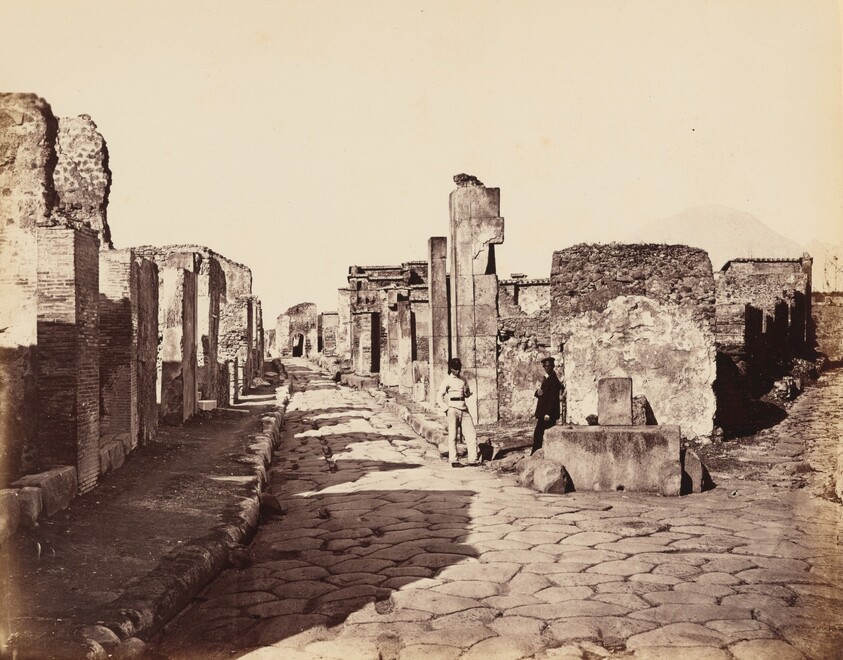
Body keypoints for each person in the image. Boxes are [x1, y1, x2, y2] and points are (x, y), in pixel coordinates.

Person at [437, 357, 479, 468]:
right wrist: (446, 409)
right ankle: (454, 460)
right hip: (452, 409)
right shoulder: (447, 380)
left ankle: (473, 459)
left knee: (471, 434)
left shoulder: (463, 379)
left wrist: (467, 393)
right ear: (451, 368)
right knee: (453, 435)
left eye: (459, 368)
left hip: (463, 408)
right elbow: (439, 397)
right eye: (455, 369)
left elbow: (466, 394)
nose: (458, 371)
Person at [531, 356, 562, 454]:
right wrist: (537, 392)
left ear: (552, 366)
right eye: (545, 366)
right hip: (543, 412)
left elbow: (553, 399)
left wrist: (548, 413)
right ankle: (537, 453)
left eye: (549, 366)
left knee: (542, 434)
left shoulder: (554, 380)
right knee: (539, 434)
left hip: (548, 414)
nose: (547, 368)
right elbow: (542, 393)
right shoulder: (546, 378)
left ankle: (538, 454)